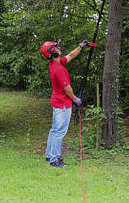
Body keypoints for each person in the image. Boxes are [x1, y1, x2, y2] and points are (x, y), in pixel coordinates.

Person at [40, 39, 88, 168]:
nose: (59, 48)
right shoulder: (58, 69)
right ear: (52, 53)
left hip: (58, 101)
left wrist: (80, 46)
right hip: (62, 104)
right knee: (59, 131)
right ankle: (54, 160)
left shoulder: (57, 63)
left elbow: (70, 56)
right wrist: (75, 99)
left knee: (55, 129)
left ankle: (49, 155)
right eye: (56, 47)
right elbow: (67, 88)